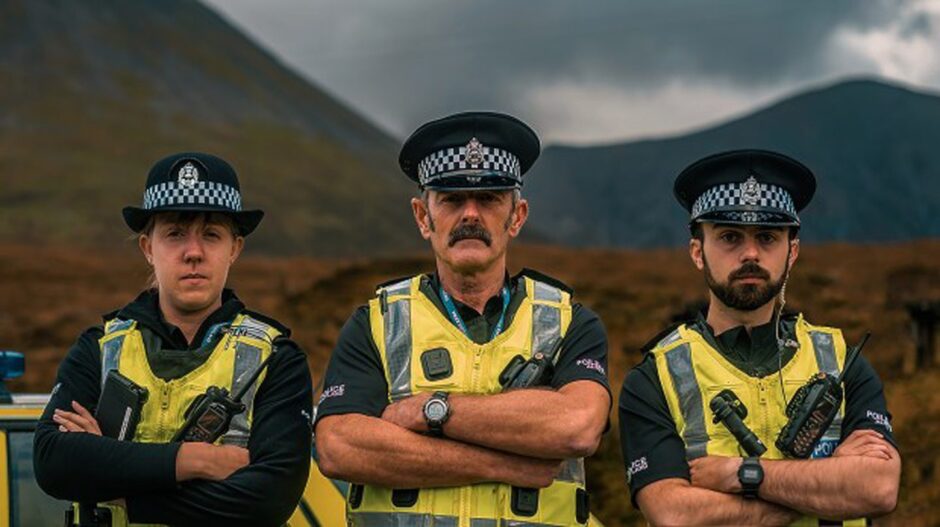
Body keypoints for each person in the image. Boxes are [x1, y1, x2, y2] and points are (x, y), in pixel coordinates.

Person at [314, 112, 611, 526]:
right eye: (451, 199)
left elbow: (577, 426)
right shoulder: (376, 322)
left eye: (490, 199)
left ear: (517, 216)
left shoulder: (568, 322)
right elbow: (339, 446)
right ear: (423, 217)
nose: (470, 214)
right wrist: (503, 463)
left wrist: (430, 410)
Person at [619, 150, 901, 525]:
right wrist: (829, 486)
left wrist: (741, 473)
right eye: (730, 237)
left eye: (767, 237)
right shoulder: (654, 378)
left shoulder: (842, 361)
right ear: (697, 252)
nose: (750, 253)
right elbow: (674, 516)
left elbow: (878, 488)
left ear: (792, 252)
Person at [34, 152, 313, 526]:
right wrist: (196, 460)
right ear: (148, 248)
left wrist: (112, 482)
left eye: (211, 235)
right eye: (175, 234)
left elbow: (269, 500)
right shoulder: (98, 347)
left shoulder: (276, 358)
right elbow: (53, 462)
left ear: (235, 248)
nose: (193, 253)